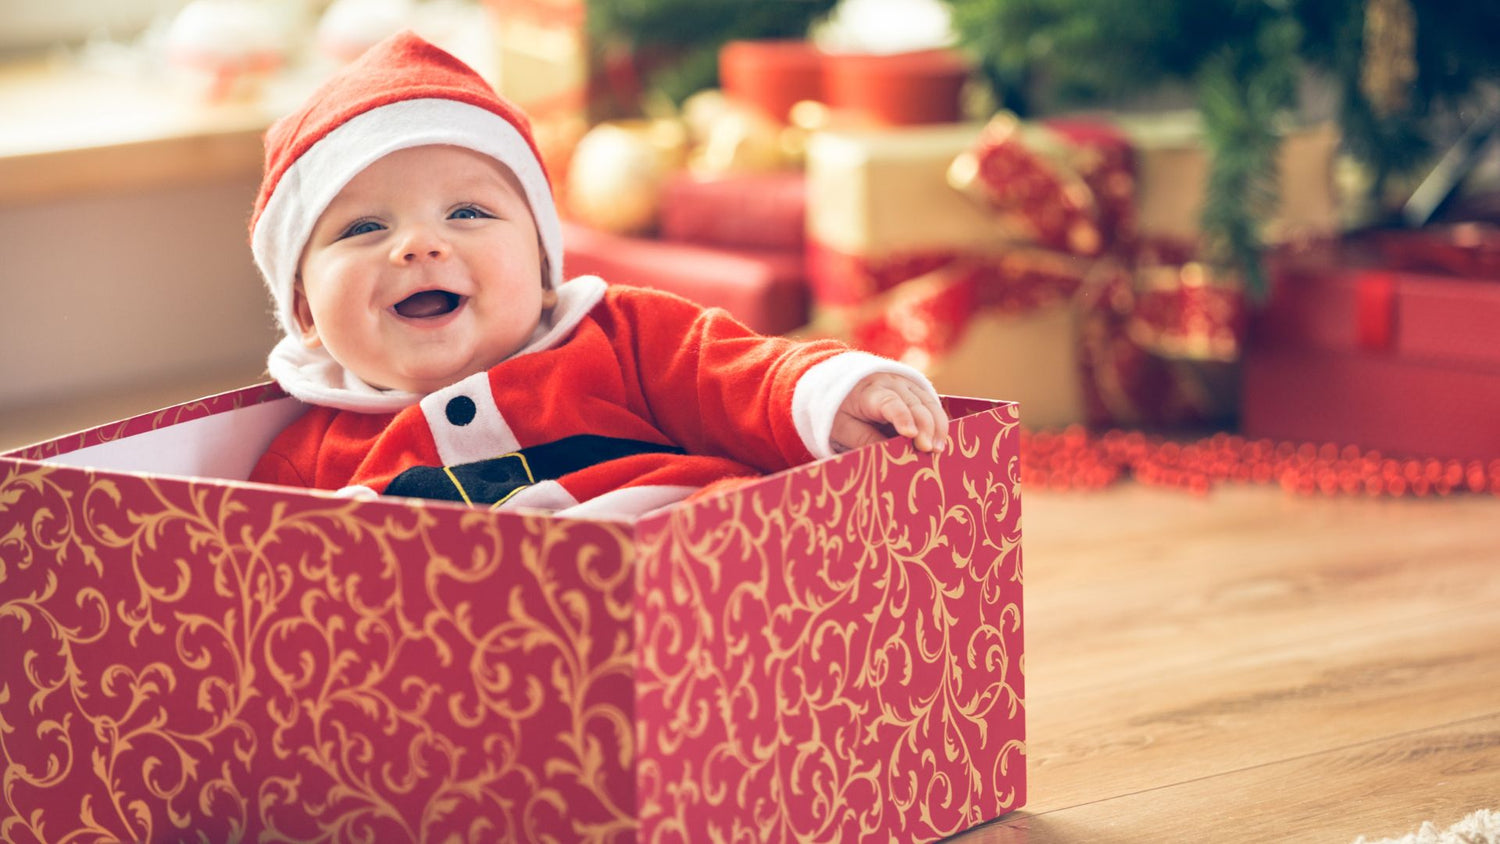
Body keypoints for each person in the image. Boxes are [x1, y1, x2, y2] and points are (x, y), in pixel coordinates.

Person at [248, 31, 948, 518]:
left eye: (467, 213)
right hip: (483, 650)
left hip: (687, 556)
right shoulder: (305, 461)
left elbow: (740, 372)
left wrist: (833, 393)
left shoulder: (621, 336)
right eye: (365, 228)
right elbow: (276, 580)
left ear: (545, 270)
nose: (419, 247)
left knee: (741, 510)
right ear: (304, 312)